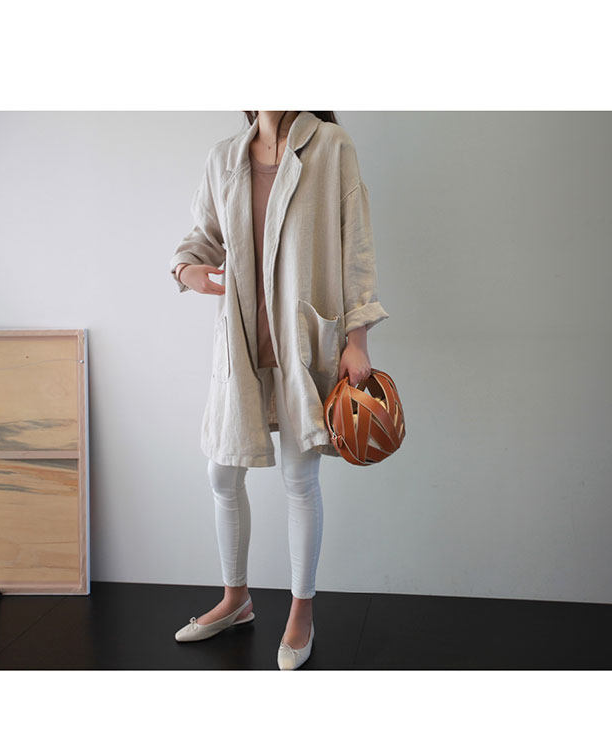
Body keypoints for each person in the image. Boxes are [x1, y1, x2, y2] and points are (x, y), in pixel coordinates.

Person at [169, 111, 389, 669]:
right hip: (240, 343)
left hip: (303, 342)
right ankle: (236, 599)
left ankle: (301, 611)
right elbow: (203, 236)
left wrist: (357, 339)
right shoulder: (224, 156)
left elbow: (357, 248)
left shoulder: (331, 146)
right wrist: (187, 270)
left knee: (299, 477)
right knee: (221, 473)